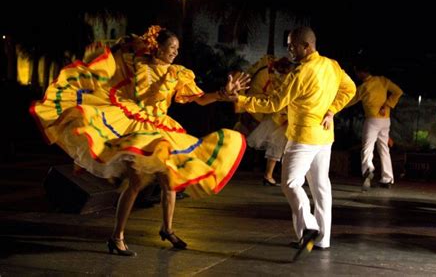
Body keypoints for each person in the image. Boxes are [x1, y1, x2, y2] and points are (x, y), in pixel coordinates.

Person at [30, 25, 249, 256]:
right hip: (137, 125)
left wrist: (222, 94)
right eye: (171, 47)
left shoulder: (178, 73)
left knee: (169, 179)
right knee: (136, 183)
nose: (175, 52)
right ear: (158, 47)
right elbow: (112, 64)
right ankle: (117, 237)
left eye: (177, 48)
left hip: (161, 126)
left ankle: (167, 228)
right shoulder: (137, 63)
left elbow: (201, 99)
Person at [232, 26, 356, 260]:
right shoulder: (332, 65)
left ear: (306, 46)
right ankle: (322, 239)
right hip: (324, 136)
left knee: (289, 183)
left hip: (304, 137)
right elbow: (349, 89)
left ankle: (309, 227)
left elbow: (273, 104)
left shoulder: (300, 73)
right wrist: (331, 111)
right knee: (321, 187)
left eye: (292, 45)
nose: (288, 49)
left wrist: (240, 100)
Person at [347, 64, 403, 190]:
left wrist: (333, 106)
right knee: (384, 149)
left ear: (360, 73)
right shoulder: (383, 81)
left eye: (357, 73)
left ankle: (368, 168)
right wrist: (387, 104)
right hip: (385, 120)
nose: (356, 75)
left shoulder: (363, 87)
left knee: (367, 147)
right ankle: (387, 178)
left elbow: (350, 101)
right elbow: (398, 92)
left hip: (372, 120)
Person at [245, 57, 295, 186]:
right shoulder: (282, 78)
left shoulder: (275, 77)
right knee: (278, 146)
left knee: (278, 146)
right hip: (281, 116)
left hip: (279, 116)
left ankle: (270, 175)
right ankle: (271, 175)